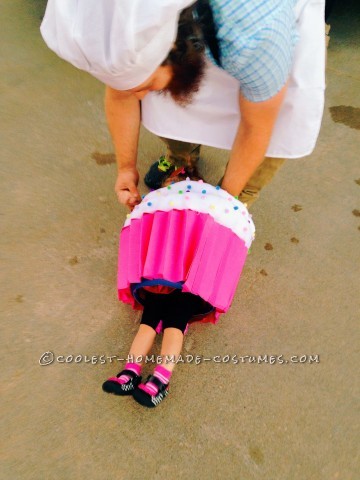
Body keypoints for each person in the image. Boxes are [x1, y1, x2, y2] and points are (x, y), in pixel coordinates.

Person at [40, 0, 326, 210]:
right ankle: (182, 161)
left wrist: (221, 207)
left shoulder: (253, 36)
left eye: (144, 86)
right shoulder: (126, 24)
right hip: (203, 36)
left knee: (278, 126)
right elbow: (121, 92)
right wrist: (125, 168)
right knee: (167, 100)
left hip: (267, 35)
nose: (138, 97)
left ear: (175, 49)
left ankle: (241, 198)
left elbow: (258, 125)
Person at [102, 167, 255, 407]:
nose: (177, 187)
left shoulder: (204, 216)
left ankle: (161, 379)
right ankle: (130, 373)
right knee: (146, 327)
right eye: (171, 183)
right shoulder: (163, 214)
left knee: (174, 328)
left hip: (187, 288)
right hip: (158, 285)